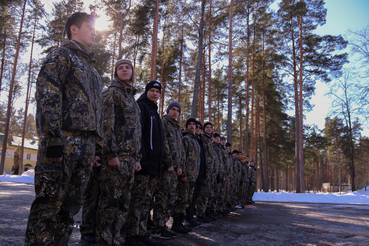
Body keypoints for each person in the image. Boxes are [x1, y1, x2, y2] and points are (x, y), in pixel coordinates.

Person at [25, 12, 104, 245]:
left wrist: (96, 148)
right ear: (74, 29)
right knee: (48, 205)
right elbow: (48, 95)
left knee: (70, 209)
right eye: (89, 27)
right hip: (63, 143)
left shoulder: (92, 71)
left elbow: (96, 113)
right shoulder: (61, 56)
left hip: (86, 148)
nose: (95, 31)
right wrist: (53, 139)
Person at [83, 59, 142, 246]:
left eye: (128, 67)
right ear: (116, 73)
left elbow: (136, 133)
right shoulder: (111, 94)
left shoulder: (132, 99)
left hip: (129, 160)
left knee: (124, 203)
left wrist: (137, 158)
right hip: (115, 158)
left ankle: (116, 238)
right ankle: (104, 240)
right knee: (110, 202)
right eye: (120, 68)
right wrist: (110, 154)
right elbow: (106, 126)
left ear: (133, 72)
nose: (125, 70)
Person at [125, 81, 164, 246]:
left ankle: (141, 232)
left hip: (154, 165)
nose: (155, 94)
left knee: (146, 201)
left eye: (157, 91)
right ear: (147, 91)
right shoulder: (141, 107)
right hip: (143, 163)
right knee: (137, 200)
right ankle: (131, 235)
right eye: (152, 90)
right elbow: (138, 135)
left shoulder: (154, 111)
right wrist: (138, 158)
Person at [151, 102, 183, 240]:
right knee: (162, 198)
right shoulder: (164, 123)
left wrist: (179, 166)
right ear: (168, 110)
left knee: (170, 199)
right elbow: (164, 144)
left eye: (177, 110)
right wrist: (168, 163)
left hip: (175, 170)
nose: (175, 112)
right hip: (166, 169)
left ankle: (163, 225)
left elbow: (179, 149)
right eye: (173, 110)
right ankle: (158, 227)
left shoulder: (176, 127)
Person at [171, 118, 200, 232]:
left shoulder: (195, 141)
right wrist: (183, 173)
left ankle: (181, 222)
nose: (192, 126)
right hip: (186, 176)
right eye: (190, 124)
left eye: (194, 124)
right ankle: (176, 223)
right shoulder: (186, 139)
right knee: (181, 199)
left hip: (193, 176)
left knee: (187, 200)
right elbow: (182, 157)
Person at [185, 121, 206, 227]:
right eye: (195, 126)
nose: (197, 128)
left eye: (199, 127)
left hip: (199, 173)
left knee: (194, 197)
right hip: (190, 173)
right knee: (189, 198)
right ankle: (187, 218)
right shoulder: (188, 139)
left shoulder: (200, 141)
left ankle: (190, 217)